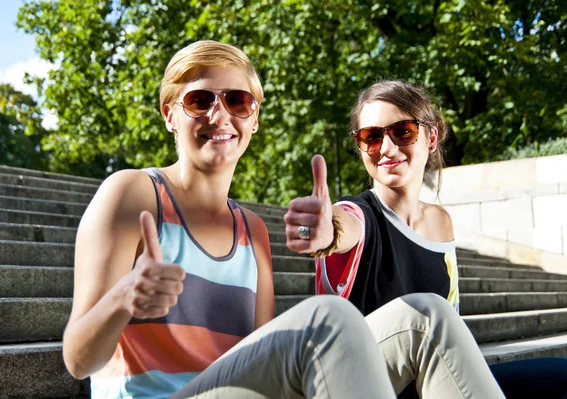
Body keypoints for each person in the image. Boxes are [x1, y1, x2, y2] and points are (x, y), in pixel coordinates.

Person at [62, 40, 403, 399]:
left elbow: (263, 361)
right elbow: (78, 361)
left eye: (237, 101)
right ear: (169, 115)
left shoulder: (252, 230)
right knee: (331, 319)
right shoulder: (132, 194)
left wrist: (325, 233)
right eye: (199, 100)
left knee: (426, 319)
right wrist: (123, 297)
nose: (219, 115)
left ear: (253, 119)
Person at [284, 80, 510, 398]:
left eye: (402, 131)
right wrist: (320, 231)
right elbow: (338, 227)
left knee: (556, 375)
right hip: (349, 383)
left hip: (419, 384)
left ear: (431, 138)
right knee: (426, 315)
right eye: (371, 137)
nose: (386, 149)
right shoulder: (356, 215)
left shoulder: (441, 223)